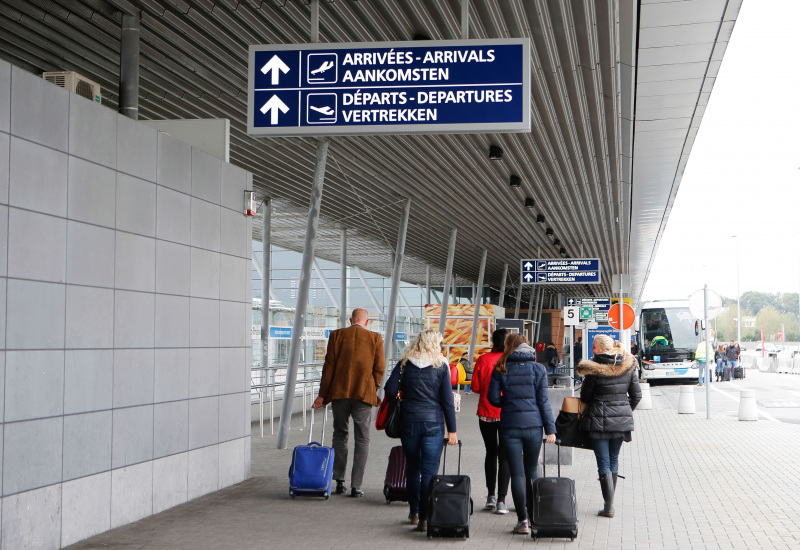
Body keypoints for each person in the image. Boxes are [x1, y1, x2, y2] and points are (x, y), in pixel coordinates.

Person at [384, 329, 458, 532]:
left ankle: (414, 512)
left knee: (413, 468)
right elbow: (447, 402)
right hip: (433, 423)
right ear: (436, 343)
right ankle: (426, 517)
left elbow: (390, 390)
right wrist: (452, 430)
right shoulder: (441, 365)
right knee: (429, 471)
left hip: (409, 422)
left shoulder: (404, 363)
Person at [488, 334, 556, 535]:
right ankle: (536, 518)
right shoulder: (539, 369)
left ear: (509, 347)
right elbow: (544, 402)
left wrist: (508, 404)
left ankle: (522, 521)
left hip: (510, 426)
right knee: (532, 471)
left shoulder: (501, 367)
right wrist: (550, 429)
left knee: (517, 473)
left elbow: (492, 398)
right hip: (534, 427)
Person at [313, 308, 385, 498]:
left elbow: (328, 368)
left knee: (339, 434)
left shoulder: (337, 336)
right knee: (362, 439)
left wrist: (322, 395)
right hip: (363, 395)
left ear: (350, 319)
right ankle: (356, 485)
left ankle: (339, 480)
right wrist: (373, 386)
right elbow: (380, 369)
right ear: (367, 322)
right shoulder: (375, 338)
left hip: (339, 394)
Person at [576, 335, 642, 518]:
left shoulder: (594, 369)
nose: (592, 350)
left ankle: (609, 506)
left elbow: (585, 398)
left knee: (604, 462)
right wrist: (624, 411)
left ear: (602, 349)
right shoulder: (628, 366)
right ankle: (609, 505)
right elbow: (636, 396)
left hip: (598, 422)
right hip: (620, 423)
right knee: (613, 459)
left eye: (594, 347)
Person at [469, 329, 511, 515]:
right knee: (505, 456)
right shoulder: (512, 360)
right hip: (508, 413)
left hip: (486, 412)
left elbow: (476, 387)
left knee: (490, 453)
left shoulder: (483, 359)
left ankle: (490, 496)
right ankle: (502, 501)